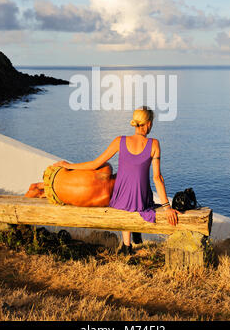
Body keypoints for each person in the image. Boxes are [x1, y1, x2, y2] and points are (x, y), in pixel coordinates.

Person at [52, 106, 180, 255]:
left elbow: (95, 164)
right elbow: (157, 178)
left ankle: (127, 246)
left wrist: (68, 165)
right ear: (149, 123)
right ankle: (133, 236)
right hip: (141, 199)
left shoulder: (120, 141)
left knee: (125, 197)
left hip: (121, 198)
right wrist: (167, 207)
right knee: (140, 198)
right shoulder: (154, 144)